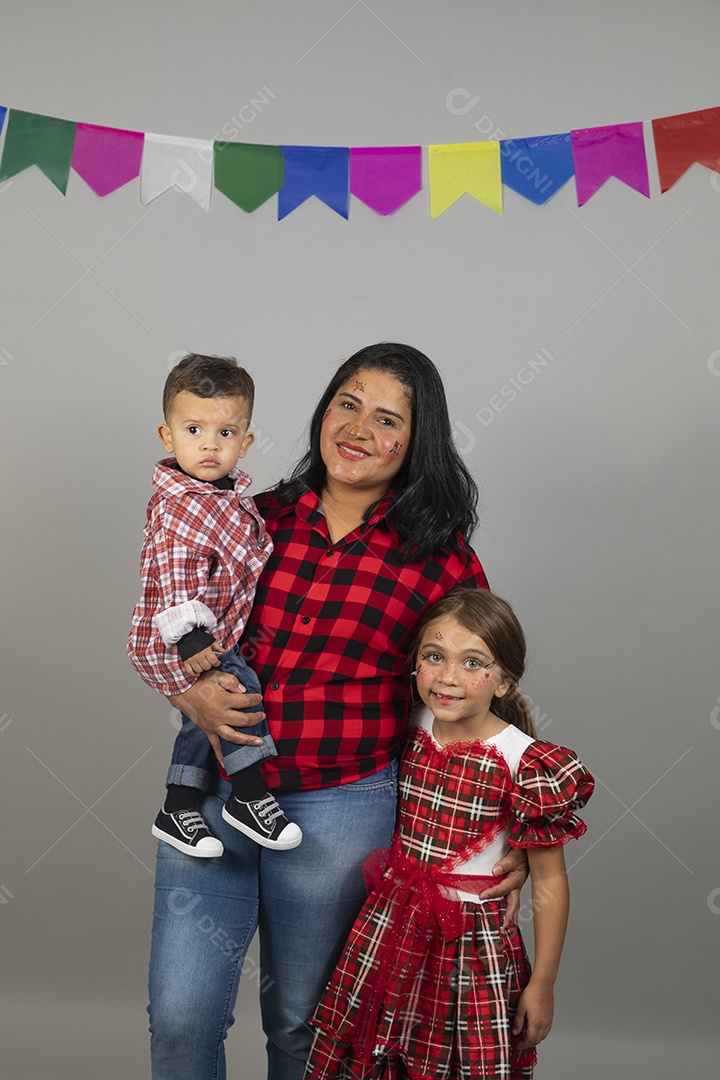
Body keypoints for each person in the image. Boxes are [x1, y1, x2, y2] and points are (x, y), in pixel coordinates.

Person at [143, 343, 528, 1080]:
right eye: (347, 404)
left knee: (305, 1023)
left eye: (388, 419)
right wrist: (184, 687)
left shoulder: (439, 558)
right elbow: (165, 613)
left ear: (418, 442)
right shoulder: (247, 519)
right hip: (216, 797)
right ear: (324, 411)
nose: (358, 428)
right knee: (181, 1017)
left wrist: (504, 826)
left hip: (344, 808)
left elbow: (470, 689)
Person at [303, 587, 595, 1080]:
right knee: (374, 1051)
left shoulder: (524, 761)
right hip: (389, 926)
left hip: (472, 947)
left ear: (504, 680)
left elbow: (548, 881)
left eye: (473, 663)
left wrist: (542, 983)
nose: (448, 678)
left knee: (453, 1061)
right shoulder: (405, 724)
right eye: (433, 657)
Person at [128, 353, 301, 859]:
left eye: (225, 433)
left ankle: (178, 806)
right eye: (194, 429)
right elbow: (174, 571)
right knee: (235, 690)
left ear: (245, 443)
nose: (209, 444)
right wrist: (192, 637)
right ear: (167, 437)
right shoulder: (183, 502)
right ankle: (248, 796)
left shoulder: (221, 494)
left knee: (198, 721)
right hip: (179, 636)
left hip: (207, 633)